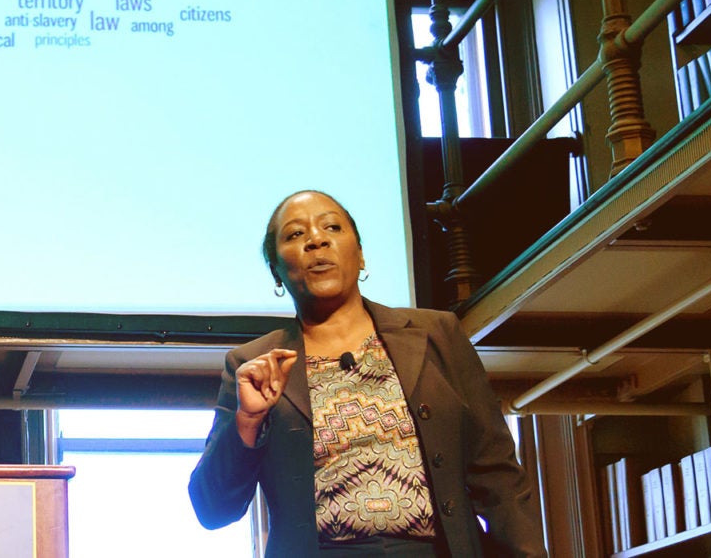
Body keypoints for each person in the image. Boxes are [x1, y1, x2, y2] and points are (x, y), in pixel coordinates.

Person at [188, 190, 546, 556]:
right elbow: (213, 510)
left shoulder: (437, 335)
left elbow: (498, 475)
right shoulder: (252, 364)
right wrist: (248, 421)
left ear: (360, 255)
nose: (316, 239)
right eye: (295, 235)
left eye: (331, 226)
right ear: (276, 271)